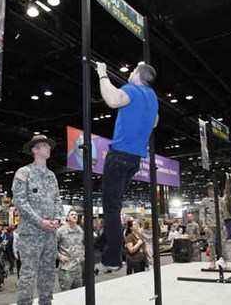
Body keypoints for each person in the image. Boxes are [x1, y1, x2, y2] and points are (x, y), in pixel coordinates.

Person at [95, 62, 159, 271]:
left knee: (111, 207)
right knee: (115, 204)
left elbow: (113, 100)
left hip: (119, 156)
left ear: (139, 76)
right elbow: (155, 121)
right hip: (134, 160)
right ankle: (102, 244)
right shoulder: (152, 97)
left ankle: (112, 258)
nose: (129, 74)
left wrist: (103, 74)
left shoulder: (133, 89)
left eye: (132, 71)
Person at [12, 134, 64, 305]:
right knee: (28, 272)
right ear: (35, 150)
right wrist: (40, 221)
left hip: (50, 233)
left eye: (48, 145)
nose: (48, 148)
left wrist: (57, 218)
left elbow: (57, 199)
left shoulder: (51, 176)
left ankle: (46, 302)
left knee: (48, 272)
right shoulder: (24, 172)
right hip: (31, 234)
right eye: (44, 145)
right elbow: (20, 202)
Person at [200, 182, 229, 269]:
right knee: (211, 244)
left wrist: (225, 224)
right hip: (210, 226)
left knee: (223, 244)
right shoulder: (204, 201)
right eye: (209, 189)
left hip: (220, 225)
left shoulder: (220, 200)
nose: (211, 190)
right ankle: (212, 261)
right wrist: (204, 225)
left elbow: (225, 213)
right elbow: (202, 213)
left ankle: (225, 261)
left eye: (212, 188)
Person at [57, 210, 84, 291]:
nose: (74, 216)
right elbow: (51, 246)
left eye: (76, 214)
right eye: (72, 214)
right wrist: (59, 256)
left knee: (78, 292)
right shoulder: (61, 231)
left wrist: (83, 250)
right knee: (66, 293)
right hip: (66, 269)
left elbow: (82, 243)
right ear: (67, 217)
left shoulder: (80, 230)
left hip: (78, 267)